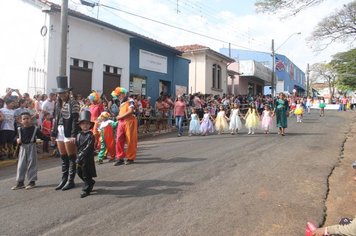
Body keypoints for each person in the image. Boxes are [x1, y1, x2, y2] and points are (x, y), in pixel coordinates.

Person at [51, 76, 80, 191]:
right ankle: (63, 179)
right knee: (63, 157)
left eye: (63, 93)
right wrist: (53, 133)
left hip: (69, 130)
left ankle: (70, 180)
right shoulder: (57, 103)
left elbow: (75, 119)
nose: (61, 95)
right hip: (59, 130)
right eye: (59, 93)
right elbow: (55, 119)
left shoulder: (74, 102)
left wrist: (73, 134)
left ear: (68, 92)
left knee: (71, 156)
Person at [11, 112, 50, 190]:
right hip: (23, 148)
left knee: (32, 164)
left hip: (32, 147)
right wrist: (17, 139)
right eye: (24, 119)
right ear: (21, 121)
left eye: (27, 118)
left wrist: (50, 138)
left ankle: (32, 181)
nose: (26, 120)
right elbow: (14, 138)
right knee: (21, 165)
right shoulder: (19, 129)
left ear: (31, 119)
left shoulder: (35, 129)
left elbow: (42, 136)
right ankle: (20, 182)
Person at [111, 87, 138, 166]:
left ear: (124, 93)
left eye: (120, 94)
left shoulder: (130, 100)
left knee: (130, 140)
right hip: (121, 122)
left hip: (129, 122)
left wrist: (120, 116)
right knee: (119, 139)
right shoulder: (120, 102)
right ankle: (120, 158)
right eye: (118, 95)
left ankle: (130, 158)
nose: (120, 96)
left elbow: (131, 111)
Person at [76, 110, 97, 198]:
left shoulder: (90, 135)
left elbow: (88, 147)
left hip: (87, 157)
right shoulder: (78, 135)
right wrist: (78, 155)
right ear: (80, 125)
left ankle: (87, 188)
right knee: (79, 171)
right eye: (83, 123)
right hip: (80, 156)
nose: (85, 125)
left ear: (90, 125)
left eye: (87, 123)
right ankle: (89, 182)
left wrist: (81, 155)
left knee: (86, 172)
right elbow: (77, 145)